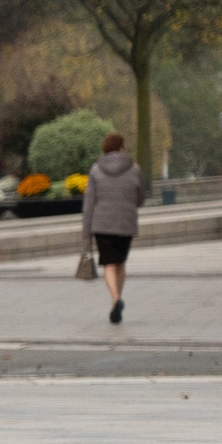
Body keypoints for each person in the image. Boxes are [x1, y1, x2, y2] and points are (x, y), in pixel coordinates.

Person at [83, 132, 145, 324]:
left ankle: (116, 300)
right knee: (120, 264)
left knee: (109, 264)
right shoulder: (134, 168)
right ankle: (115, 303)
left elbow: (89, 202)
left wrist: (86, 231)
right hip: (125, 224)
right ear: (121, 148)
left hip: (102, 224)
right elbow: (140, 197)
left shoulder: (95, 170)